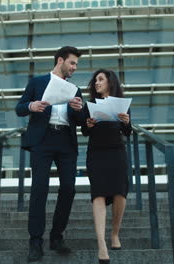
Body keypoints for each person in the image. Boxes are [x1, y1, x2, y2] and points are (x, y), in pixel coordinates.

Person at [15, 46, 85, 262]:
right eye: (72, 63)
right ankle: (35, 241)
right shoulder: (37, 82)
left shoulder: (75, 90)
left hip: (65, 141)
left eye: (76, 64)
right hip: (42, 141)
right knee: (39, 189)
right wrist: (31, 105)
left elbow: (82, 123)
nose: (74, 67)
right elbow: (19, 108)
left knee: (68, 188)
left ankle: (56, 236)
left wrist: (79, 109)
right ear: (60, 60)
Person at [81, 69, 131, 264]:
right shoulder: (90, 105)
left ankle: (115, 233)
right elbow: (85, 131)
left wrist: (126, 121)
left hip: (116, 152)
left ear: (111, 82)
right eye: (95, 80)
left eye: (100, 79)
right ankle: (101, 244)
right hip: (96, 154)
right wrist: (89, 124)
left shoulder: (122, 104)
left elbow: (127, 132)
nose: (96, 82)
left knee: (120, 193)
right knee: (99, 194)